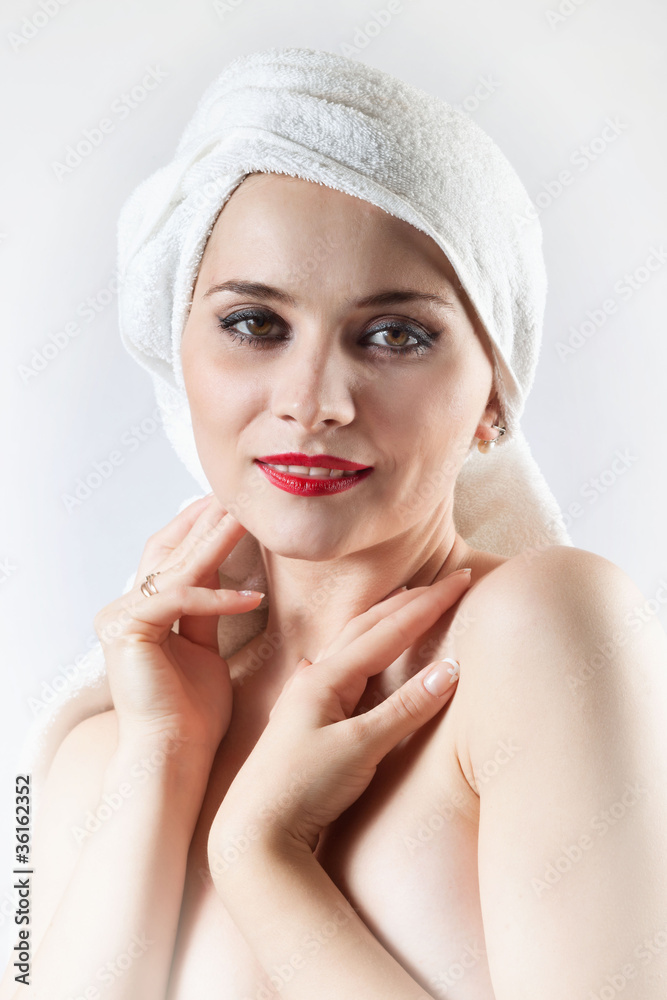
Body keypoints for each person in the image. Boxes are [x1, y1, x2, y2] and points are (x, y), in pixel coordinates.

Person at [3, 48, 666, 1000]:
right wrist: (163, 758)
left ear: (493, 398)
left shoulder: (539, 631)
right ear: (179, 355)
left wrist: (264, 860)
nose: (313, 401)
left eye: (394, 335)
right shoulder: (102, 755)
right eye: (254, 324)